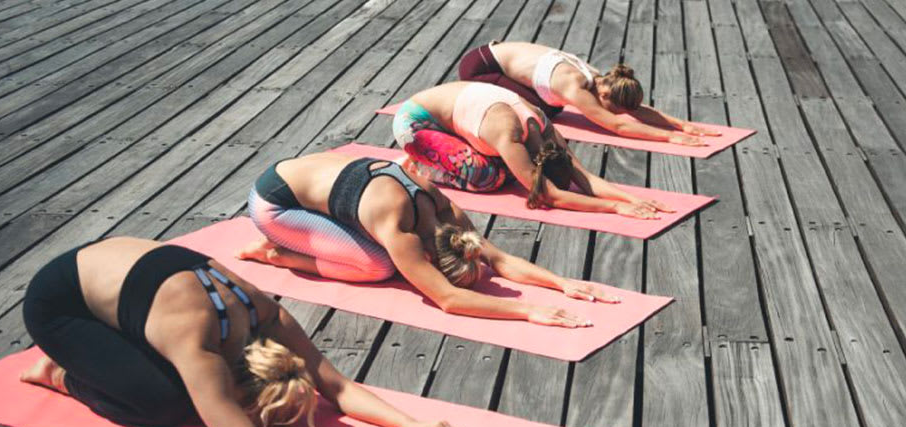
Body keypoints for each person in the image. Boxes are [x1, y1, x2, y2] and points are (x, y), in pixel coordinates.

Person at [20, 237, 473, 427]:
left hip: (126, 275)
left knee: (180, 386)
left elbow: (336, 386)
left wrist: (411, 424)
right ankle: (61, 373)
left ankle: (115, 346)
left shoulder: (267, 316)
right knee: (166, 405)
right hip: (59, 302)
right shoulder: (198, 345)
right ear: (236, 381)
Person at [237, 151, 620, 326]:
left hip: (305, 169)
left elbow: (498, 258)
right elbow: (449, 300)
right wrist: (529, 311)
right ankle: (279, 254)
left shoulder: (445, 212)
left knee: (379, 254)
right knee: (378, 265)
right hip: (274, 203)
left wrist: (561, 283)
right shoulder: (399, 232)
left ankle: (302, 241)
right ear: (429, 260)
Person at [393, 81, 672, 219]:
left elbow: (584, 177)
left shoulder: (542, 123)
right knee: (490, 177)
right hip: (416, 123)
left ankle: (447, 154)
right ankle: (422, 165)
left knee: (507, 169)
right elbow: (550, 196)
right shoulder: (509, 135)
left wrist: (630, 198)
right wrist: (615, 208)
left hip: (456, 114)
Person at [458, 41, 720, 145]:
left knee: (551, 108)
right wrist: (670, 138)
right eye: (615, 108)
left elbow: (632, 111)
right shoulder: (575, 86)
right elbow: (618, 126)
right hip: (480, 66)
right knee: (543, 113)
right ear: (604, 97)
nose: (622, 114)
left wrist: (681, 125)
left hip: (496, 56)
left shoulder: (603, 79)